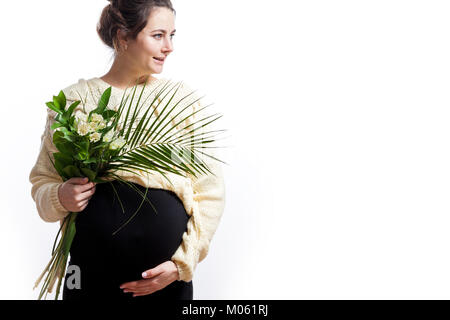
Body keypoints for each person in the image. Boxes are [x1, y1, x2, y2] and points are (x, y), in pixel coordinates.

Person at [29, 0, 226, 300]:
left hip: (164, 285)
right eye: (158, 35)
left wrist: (182, 263)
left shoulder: (179, 103)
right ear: (123, 37)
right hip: (89, 278)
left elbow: (209, 191)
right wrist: (60, 196)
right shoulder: (74, 103)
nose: (169, 46)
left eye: (173, 35)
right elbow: (43, 183)